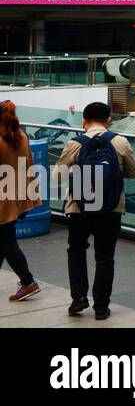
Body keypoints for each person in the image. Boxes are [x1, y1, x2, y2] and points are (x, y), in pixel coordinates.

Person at [56, 102, 135, 319]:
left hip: (78, 207)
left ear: (84, 120)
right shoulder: (120, 142)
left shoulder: (74, 143)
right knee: (105, 257)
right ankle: (101, 307)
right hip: (111, 208)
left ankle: (79, 298)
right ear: (108, 119)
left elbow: (58, 176)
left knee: (76, 251)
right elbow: (134, 172)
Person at [0, 101, 42, 303]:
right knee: (3, 239)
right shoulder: (21, 136)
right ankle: (27, 281)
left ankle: (28, 282)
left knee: (7, 242)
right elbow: (29, 166)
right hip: (16, 196)